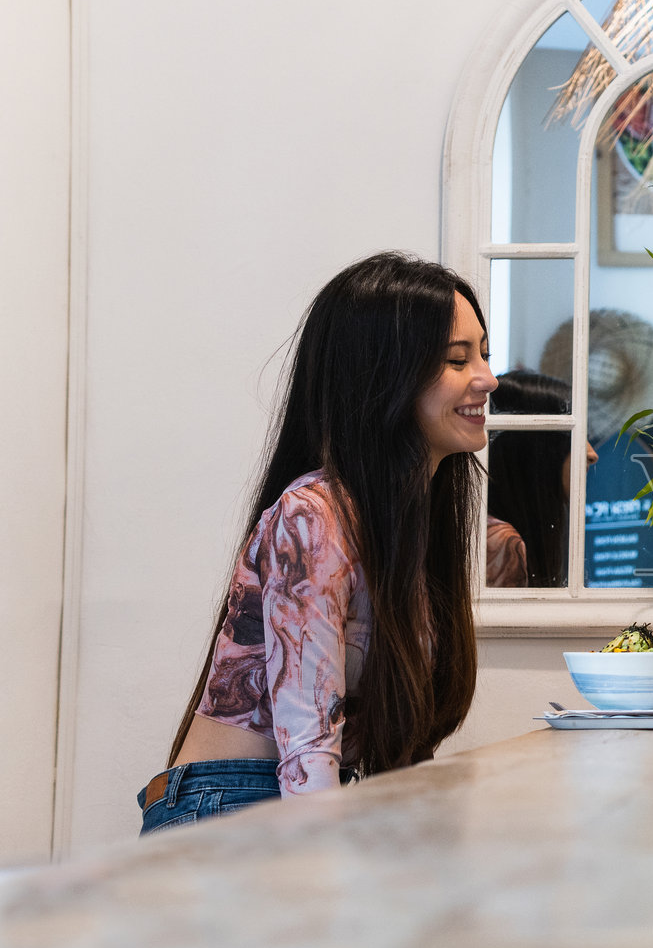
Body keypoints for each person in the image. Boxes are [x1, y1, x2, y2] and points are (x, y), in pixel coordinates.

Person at [138, 252, 497, 834]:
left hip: (304, 798)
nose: (487, 377)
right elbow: (306, 754)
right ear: (386, 374)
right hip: (236, 805)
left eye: (484, 353)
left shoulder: (407, 523)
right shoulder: (314, 515)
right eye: (458, 359)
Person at [484, 370, 598, 587]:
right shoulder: (499, 542)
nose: (592, 454)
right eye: (572, 435)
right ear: (537, 448)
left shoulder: (501, 533)